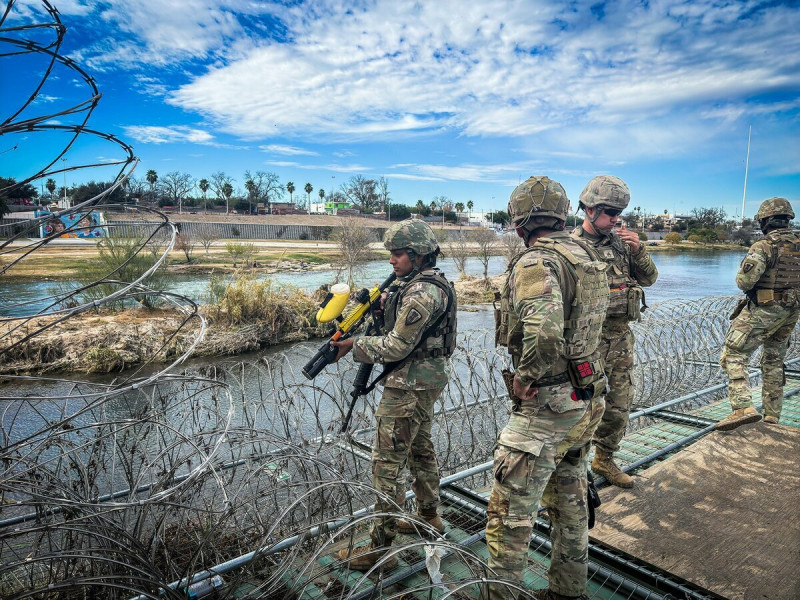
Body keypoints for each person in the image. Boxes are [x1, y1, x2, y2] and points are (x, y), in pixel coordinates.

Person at [486, 176, 609, 600]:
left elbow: (545, 332)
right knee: (571, 507)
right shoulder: (586, 255)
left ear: (519, 223)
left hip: (547, 409)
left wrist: (525, 378)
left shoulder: (536, 262)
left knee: (508, 517)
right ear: (562, 216)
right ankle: (568, 592)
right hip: (585, 399)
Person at [330, 218, 457, 570]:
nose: (391, 261)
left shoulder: (421, 292)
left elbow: (398, 345)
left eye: (397, 254)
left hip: (409, 385)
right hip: (422, 380)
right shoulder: (423, 285)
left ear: (417, 256)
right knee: (419, 448)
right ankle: (429, 517)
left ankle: (379, 550)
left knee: (386, 464)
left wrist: (353, 346)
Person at [572, 175, 658, 488]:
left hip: (620, 337)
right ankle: (573, 473)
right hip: (587, 343)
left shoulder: (623, 246)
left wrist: (639, 252)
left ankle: (604, 458)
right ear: (589, 209)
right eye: (610, 213)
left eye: (618, 214)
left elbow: (649, 279)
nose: (615, 220)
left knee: (620, 404)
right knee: (584, 409)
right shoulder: (571, 248)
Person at [718, 197, 800, 430]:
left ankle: (743, 407)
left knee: (733, 353)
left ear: (765, 220)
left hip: (765, 309)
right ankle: (772, 416)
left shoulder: (764, 245)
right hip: (791, 312)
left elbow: (745, 282)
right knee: (774, 360)